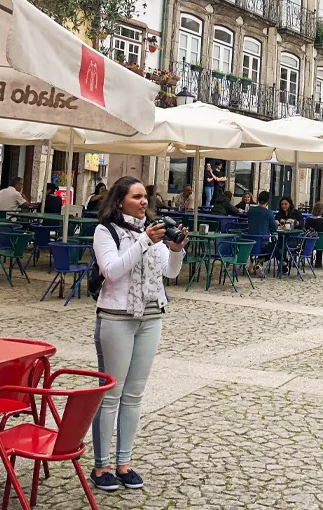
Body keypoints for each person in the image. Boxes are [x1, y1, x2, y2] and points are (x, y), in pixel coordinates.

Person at [90, 177, 187, 493]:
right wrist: (144, 240)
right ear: (120, 201)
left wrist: (176, 249)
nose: (144, 201)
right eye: (137, 196)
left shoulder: (153, 232)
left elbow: (169, 273)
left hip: (151, 316)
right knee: (111, 394)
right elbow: (112, 270)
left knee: (134, 395)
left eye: (145, 196)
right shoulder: (107, 231)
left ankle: (124, 462)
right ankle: (101, 465)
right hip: (117, 317)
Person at [304, 202, 323, 268]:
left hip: (310, 242)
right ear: (322, 211)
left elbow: (305, 228)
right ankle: (318, 262)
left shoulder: (308, 220)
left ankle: (311, 261)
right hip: (321, 243)